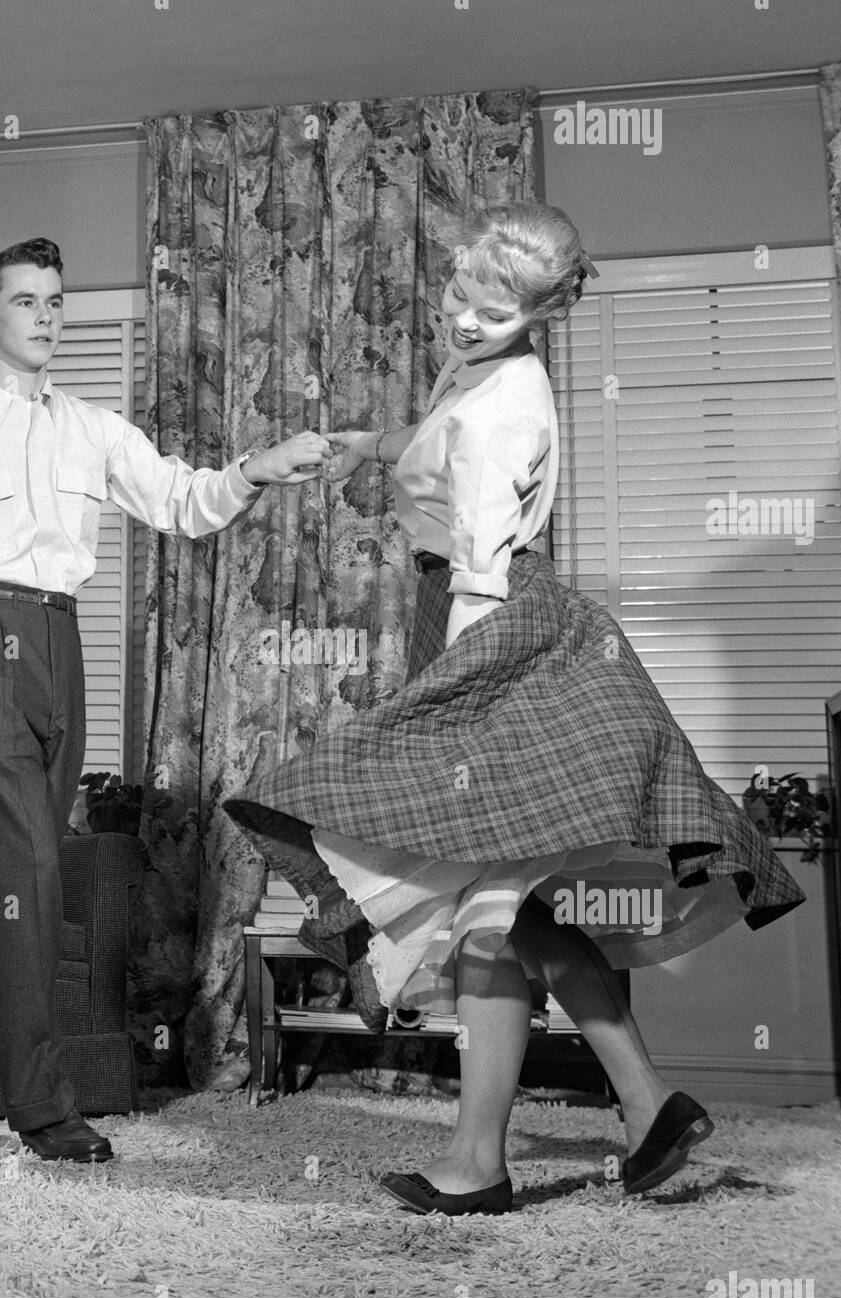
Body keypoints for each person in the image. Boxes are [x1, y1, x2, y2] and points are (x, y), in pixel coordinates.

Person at [224, 202, 804, 1213]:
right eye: (458, 294)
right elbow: (433, 435)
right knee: (508, 908)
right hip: (463, 617)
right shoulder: (478, 373)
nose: (462, 317)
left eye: (492, 310)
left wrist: (457, 719)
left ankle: (477, 1162)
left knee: (484, 915)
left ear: (543, 313)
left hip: (494, 633)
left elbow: (484, 572)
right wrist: (369, 447)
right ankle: (648, 1101)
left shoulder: (508, 411)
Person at [0, 237, 329, 1162]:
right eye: (26, 302)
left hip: (60, 643)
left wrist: (259, 467)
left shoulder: (93, 428)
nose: (47, 316)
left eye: (56, 301)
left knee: (6, 878)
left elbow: (183, 500)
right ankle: (43, 1110)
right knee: (27, 882)